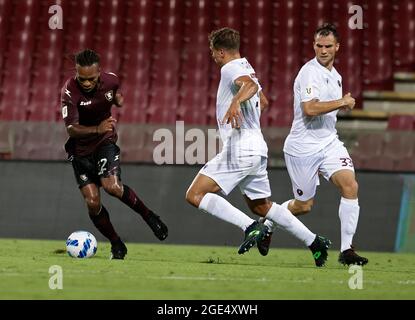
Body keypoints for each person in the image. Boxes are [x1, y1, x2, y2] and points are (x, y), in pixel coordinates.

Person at [185, 27, 331, 267]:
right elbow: (263, 101)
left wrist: (234, 104)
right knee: (261, 206)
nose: (212, 56)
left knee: (195, 194)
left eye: (212, 52)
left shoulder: (231, 68)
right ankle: (314, 242)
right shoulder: (246, 65)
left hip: (240, 148)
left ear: (221, 52)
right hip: (256, 146)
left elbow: (250, 88)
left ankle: (250, 228)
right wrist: (246, 115)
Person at [260, 23, 368, 266]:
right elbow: (309, 109)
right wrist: (342, 102)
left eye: (328, 46)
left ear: (337, 47)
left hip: (329, 142)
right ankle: (268, 222)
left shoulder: (336, 76)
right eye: (319, 46)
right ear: (314, 46)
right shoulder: (309, 72)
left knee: (350, 186)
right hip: (302, 147)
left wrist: (340, 103)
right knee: (304, 205)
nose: (323, 50)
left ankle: (347, 250)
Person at [61, 49, 168, 259]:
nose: (87, 83)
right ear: (77, 73)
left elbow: (115, 93)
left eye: (91, 79)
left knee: (113, 187)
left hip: (104, 143)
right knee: (92, 203)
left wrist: (117, 100)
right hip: (80, 152)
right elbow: (71, 129)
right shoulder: (69, 91)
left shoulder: (111, 81)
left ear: (99, 72)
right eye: (82, 79)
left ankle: (149, 216)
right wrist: (97, 128)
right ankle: (117, 243)